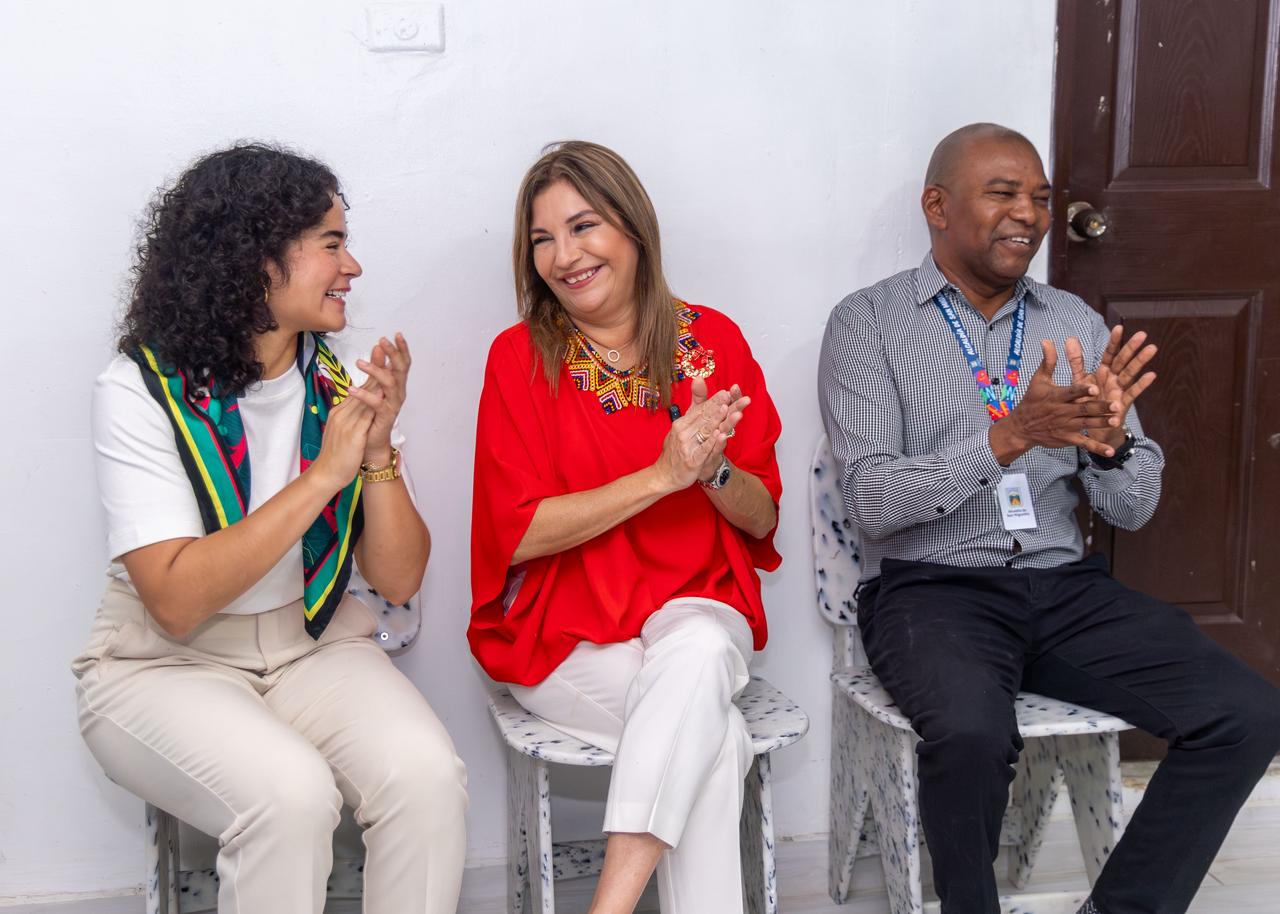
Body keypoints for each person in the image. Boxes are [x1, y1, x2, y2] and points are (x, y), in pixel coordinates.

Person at [818, 122, 1280, 914]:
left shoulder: (1074, 323)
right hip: (931, 589)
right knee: (970, 735)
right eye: (1003, 194)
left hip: (1065, 588)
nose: (1028, 215)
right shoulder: (868, 322)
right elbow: (870, 504)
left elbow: (1133, 508)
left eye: (1039, 197)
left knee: (1248, 713)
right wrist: (1011, 436)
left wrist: (1109, 447)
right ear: (937, 206)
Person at [73, 144, 468, 914]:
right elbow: (176, 602)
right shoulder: (139, 389)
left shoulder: (340, 379)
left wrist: (376, 455)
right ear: (256, 259)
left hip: (311, 643)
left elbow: (398, 579)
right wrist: (322, 476)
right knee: (289, 801)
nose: (352, 266)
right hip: (162, 663)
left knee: (427, 780)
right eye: (331, 244)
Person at [469, 140, 783, 914]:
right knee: (715, 743)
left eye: (584, 227)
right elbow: (518, 533)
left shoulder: (716, 341)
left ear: (634, 227)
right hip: (566, 632)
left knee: (699, 648)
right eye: (542, 239)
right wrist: (661, 476)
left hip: (699, 603)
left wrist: (712, 470)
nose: (564, 256)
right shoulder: (519, 358)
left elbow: (763, 517)